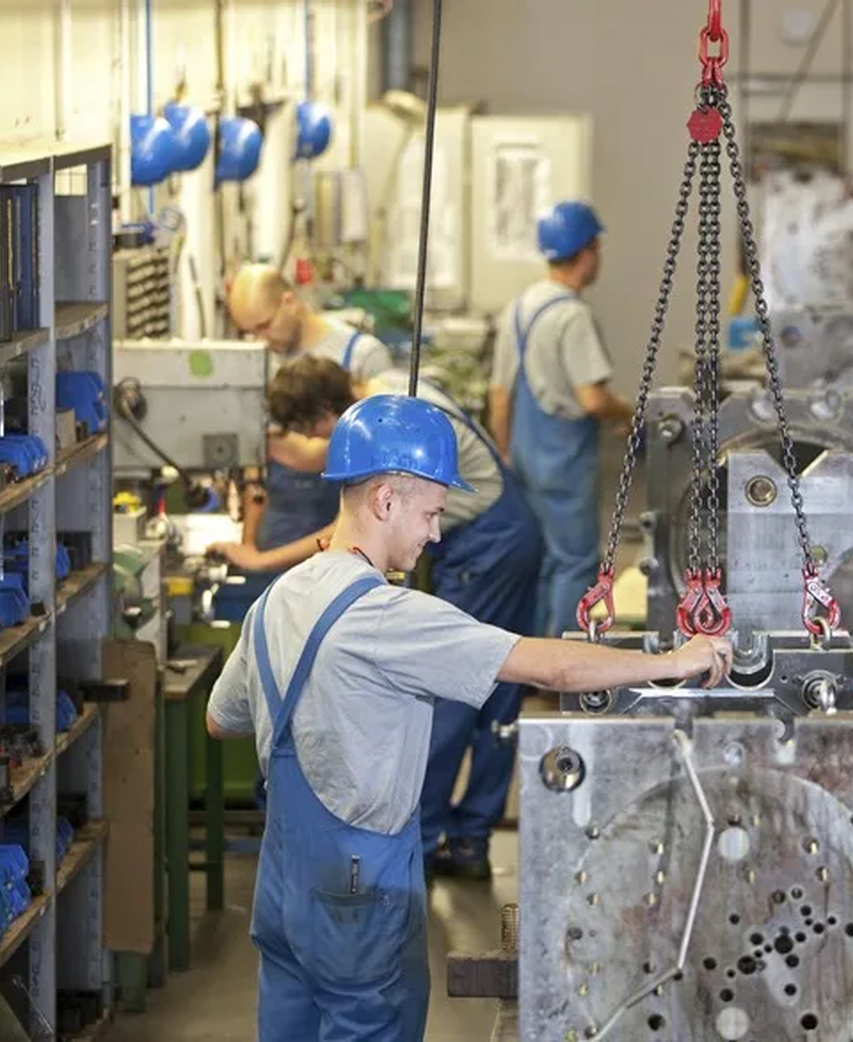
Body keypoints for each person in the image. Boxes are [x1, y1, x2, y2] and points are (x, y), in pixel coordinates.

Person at [204, 393, 734, 1041]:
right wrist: (674, 662)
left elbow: (221, 719)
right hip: (358, 893)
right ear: (385, 502)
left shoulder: (280, 597)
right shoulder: (387, 619)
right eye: (431, 513)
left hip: (285, 885)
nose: (434, 534)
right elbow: (550, 669)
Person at [211, 356, 543, 879]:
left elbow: (350, 521)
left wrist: (260, 561)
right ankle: (463, 835)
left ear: (330, 413)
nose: (319, 444)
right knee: (479, 691)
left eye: (317, 433)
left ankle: (436, 836)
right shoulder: (383, 403)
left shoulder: (397, 422)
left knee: (461, 691)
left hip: (493, 545)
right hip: (485, 540)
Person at [486, 201, 634, 636]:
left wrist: (506, 451)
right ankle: (561, 667)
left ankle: (530, 657)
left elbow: (500, 393)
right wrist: (627, 412)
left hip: (525, 453)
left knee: (544, 557)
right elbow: (591, 399)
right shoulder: (572, 315)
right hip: (562, 456)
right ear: (588, 251)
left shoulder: (518, 307)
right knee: (575, 560)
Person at [225, 263, 397, 557]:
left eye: (264, 326)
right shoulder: (262, 363)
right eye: (249, 333)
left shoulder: (362, 357)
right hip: (280, 526)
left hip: (344, 531)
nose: (260, 340)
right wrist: (249, 544)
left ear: (289, 302)